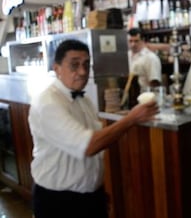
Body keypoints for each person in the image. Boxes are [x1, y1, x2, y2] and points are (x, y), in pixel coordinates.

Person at [28, 39, 159, 218]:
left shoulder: (85, 100)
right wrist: (131, 119)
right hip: (58, 201)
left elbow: (95, 149)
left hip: (90, 197)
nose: (82, 72)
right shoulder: (48, 103)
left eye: (86, 64)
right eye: (74, 65)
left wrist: (97, 190)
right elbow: (89, 146)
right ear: (57, 68)